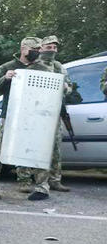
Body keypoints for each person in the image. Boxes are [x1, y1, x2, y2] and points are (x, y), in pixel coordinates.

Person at [0, 37, 53, 200]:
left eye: (39, 49)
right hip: (10, 115)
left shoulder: (43, 69)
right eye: (34, 49)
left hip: (35, 116)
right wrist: (5, 78)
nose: (37, 52)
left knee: (39, 151)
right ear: (23, 49)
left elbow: (50, 93)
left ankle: (42, 187)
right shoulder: (8, 67)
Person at [30, 35, 77, 193]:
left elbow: (69, 87)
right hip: (37, 112)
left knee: (56, 147)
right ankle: (35, 181)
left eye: (54, 47)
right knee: (38, 148)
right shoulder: (34, 65)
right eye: (49, 47)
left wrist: (66, 88)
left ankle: (55, 180)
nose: (52, 50)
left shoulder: (59, 66)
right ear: (41, 48)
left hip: (55, 112)